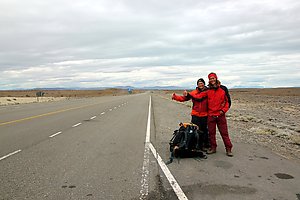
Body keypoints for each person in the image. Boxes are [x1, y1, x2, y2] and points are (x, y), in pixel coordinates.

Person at [189, 72, 233, 157]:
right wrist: (188, 94)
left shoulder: (223, 89)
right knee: (211, 133)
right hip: (211, 115)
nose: (212, 80)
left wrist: (223, 111)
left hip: (220, 115)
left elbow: (227, 102)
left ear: (216, 78)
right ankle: (213, 148)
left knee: (224, 133)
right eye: (210, 79)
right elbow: (199, 96)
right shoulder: (208, 90)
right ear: (209, 80)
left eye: (213, 78)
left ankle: (228, 148)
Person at [171, 78, 210, 151]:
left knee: (204, 130)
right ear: (197, 85)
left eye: (201, 83)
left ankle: (204, 145)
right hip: (195, 114)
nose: (200, 85)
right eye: (199, 83)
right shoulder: (194, 93)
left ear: (204, 84)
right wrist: (175, 97)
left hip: (205, 114)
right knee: (195, 130)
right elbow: (184, 98)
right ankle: (195, 145)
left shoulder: (208, 92)